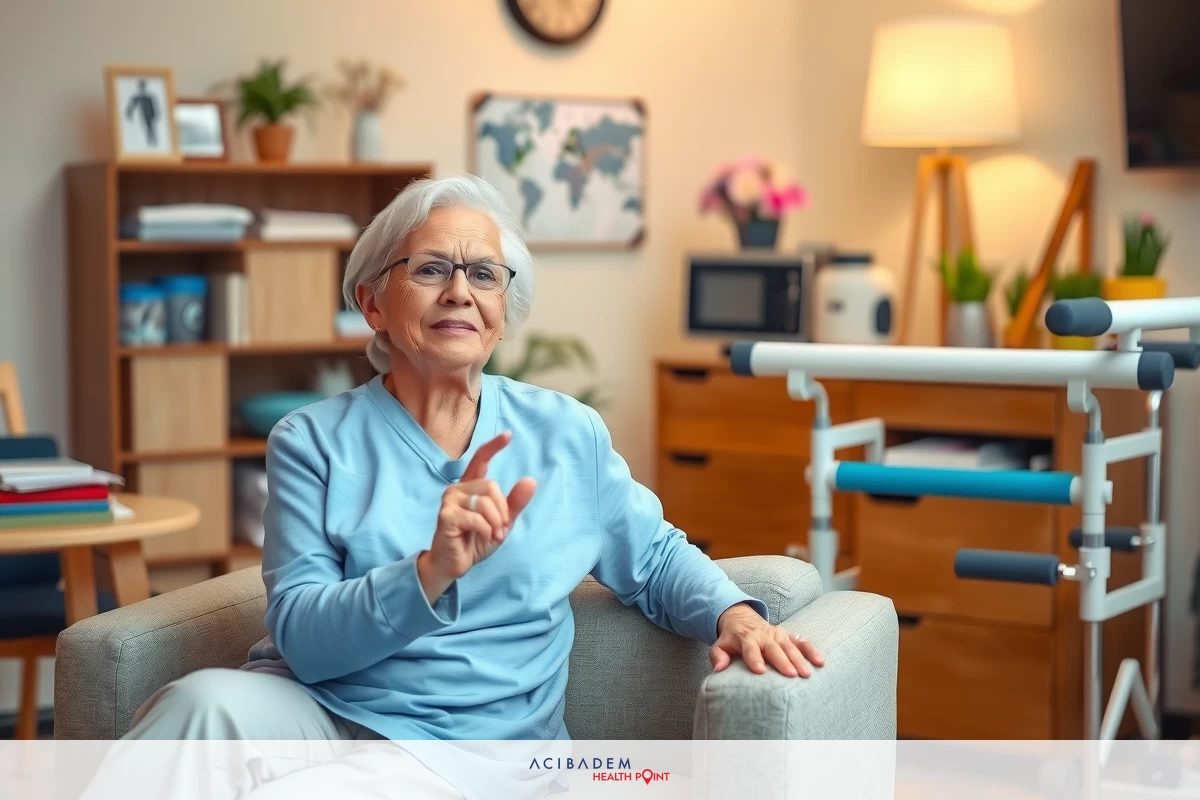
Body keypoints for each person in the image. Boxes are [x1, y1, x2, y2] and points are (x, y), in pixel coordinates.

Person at [89, 175, 824, 799]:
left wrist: (734, 613)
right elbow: (304, 640)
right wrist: (429, 572)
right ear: (373, 302)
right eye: (432, 268)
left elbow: (655, 558)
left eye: (483, 274)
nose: (460, 292)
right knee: (198, 705)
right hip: (321, 702)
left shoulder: (567, 434)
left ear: (503, 310)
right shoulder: (311, 441)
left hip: (477, 747)